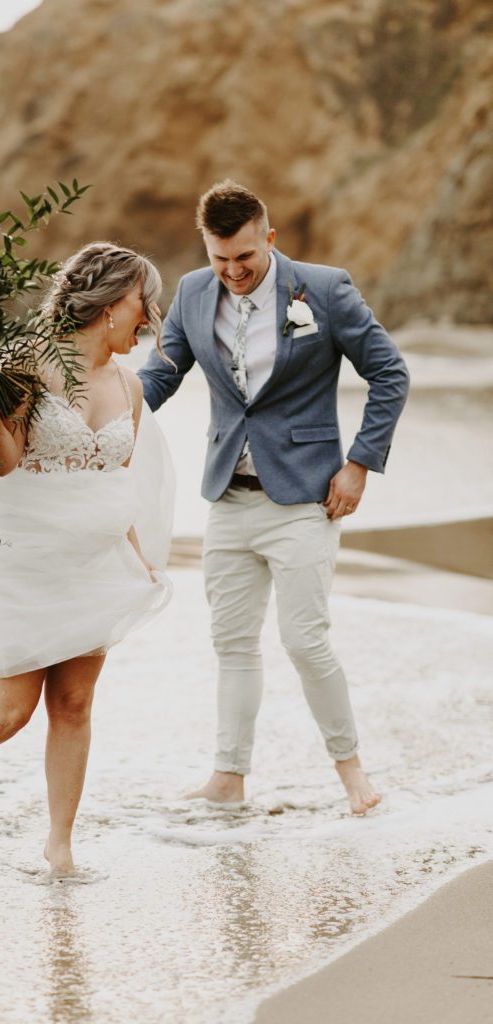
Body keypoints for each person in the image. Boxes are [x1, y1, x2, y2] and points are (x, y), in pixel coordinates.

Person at [138, 180, 410, 815]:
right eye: (218, 258)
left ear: (270, 238)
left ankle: (353, 777)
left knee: (304, 639)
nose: (232, 272)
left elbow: (389, 373)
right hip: (227, 497)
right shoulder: (193, 292)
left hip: (306, 498)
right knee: (231, 643)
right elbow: (162, 374)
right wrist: (106, 417)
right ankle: (228, 779)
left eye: (245, 258)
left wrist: (360, 465)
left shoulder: (325, 288)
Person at [0, 243, 174, 873]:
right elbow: (5, 462)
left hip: (94, 565)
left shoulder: (133, 389)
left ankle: (59, 845)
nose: (151, 317)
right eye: (145, 302)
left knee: (74, 706)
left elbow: (117, 481)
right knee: (13, 709)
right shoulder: (30, 364)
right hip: (24, 554)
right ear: (112, 302)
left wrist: (138, 561)